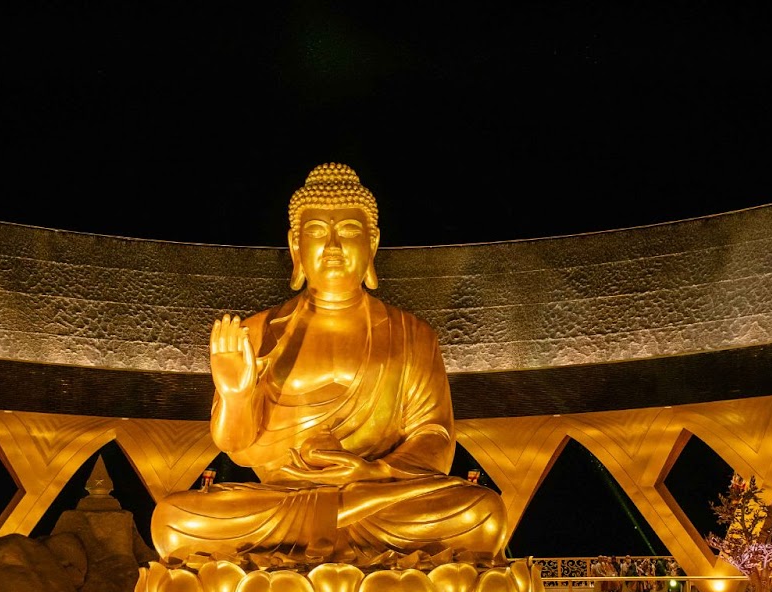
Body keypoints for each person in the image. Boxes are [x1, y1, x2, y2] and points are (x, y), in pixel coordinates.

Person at [151, 164, 507, 561]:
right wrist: (236, 395)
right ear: (294, 245)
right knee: (174, 519)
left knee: (482, 512)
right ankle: (352, 553)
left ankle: (304, 554)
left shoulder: (413, 334)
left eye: (349, 232)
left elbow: (436, 440)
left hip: (376, 499)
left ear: (372, 244)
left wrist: (372, 472)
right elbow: (238, 448)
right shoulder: (259, 331)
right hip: (282, 501)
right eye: (317, 232)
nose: (333, 246)